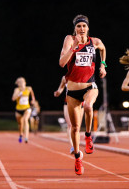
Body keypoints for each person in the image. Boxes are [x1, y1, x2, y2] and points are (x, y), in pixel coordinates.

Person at [59, 14, 107, 175]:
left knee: (88, 106)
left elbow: (103, 48)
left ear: (88, 28)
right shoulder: (69, 40)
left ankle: (88, 136)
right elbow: (61, 63)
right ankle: (78, 158)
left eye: (84, 26)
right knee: (74, 128)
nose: (81, 29)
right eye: (78, 26)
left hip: (89, 86)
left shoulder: (95, 42)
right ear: (75, 28)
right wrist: (74, 47)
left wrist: (103, 66)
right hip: (72, 90)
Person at [54, 75, 76, 154]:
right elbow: (61, 87)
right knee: (69, 125)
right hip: (67, 102)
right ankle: (73, 146)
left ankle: (76, 143)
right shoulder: (65, 77)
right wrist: (58, 92)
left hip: (78, 102)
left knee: (76, 125)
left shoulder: (80, 74)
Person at [12, 77, 36, 143]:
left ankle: (26, 138)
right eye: (20, 82)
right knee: (20, 124)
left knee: (25, 120)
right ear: (18, 84)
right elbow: (13, 98)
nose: (22, 83)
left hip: (27, 108)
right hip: (18, 109)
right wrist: (19, 94)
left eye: (23, 82)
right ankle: (20, 134)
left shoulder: (29, 88)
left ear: (25, 83)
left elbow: (33, 95)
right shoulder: (17, 90)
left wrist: (33, 100)